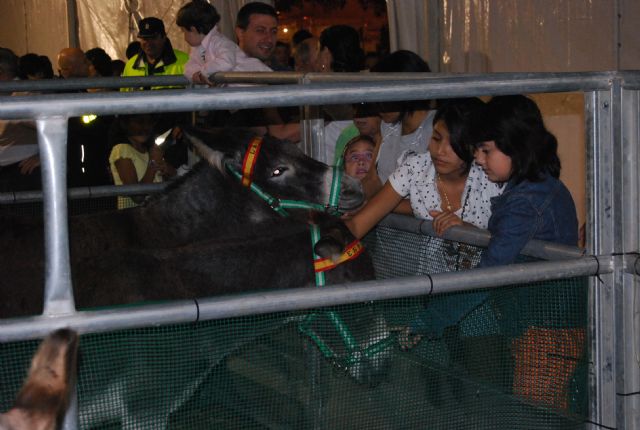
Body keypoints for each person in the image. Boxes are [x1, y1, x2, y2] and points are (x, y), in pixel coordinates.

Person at [371, 50, 435, 192]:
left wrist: (373, 203)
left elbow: (433, 199)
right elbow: (373, 179)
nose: (378, 104)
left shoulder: (435, 130)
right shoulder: (388, 125)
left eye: (384, 95)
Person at [176, 0, 269, 85]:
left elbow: (226, 62)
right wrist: (195, 74)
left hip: (259, 79)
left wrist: (203, 72)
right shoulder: (198, 49)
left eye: (184, 31)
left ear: (193, 29)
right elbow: (189, 66)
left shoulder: (220, 42)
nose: (184, 37)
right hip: (241, 89)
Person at [109, 114, 176, 209]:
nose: (145, 127)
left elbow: (169, 181)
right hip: (135, 218)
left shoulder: (150, 151)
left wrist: (167, 170)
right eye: (140, 122)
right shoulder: (121, 150)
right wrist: (153, 163)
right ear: (125, 124)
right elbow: (137, 197)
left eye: (149, 123)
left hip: (157, 214)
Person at [0, 48, 41, 191]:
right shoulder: (8, 97)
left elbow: (56, 128)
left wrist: (42, 156)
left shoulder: (23, 99)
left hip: (21, 175)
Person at [121, 17, 189, 88]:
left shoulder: (185, 62)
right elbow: (124, 97)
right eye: (145, 39)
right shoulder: (130, 65)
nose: (149, 43)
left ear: (164, 37)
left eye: (153, 38)